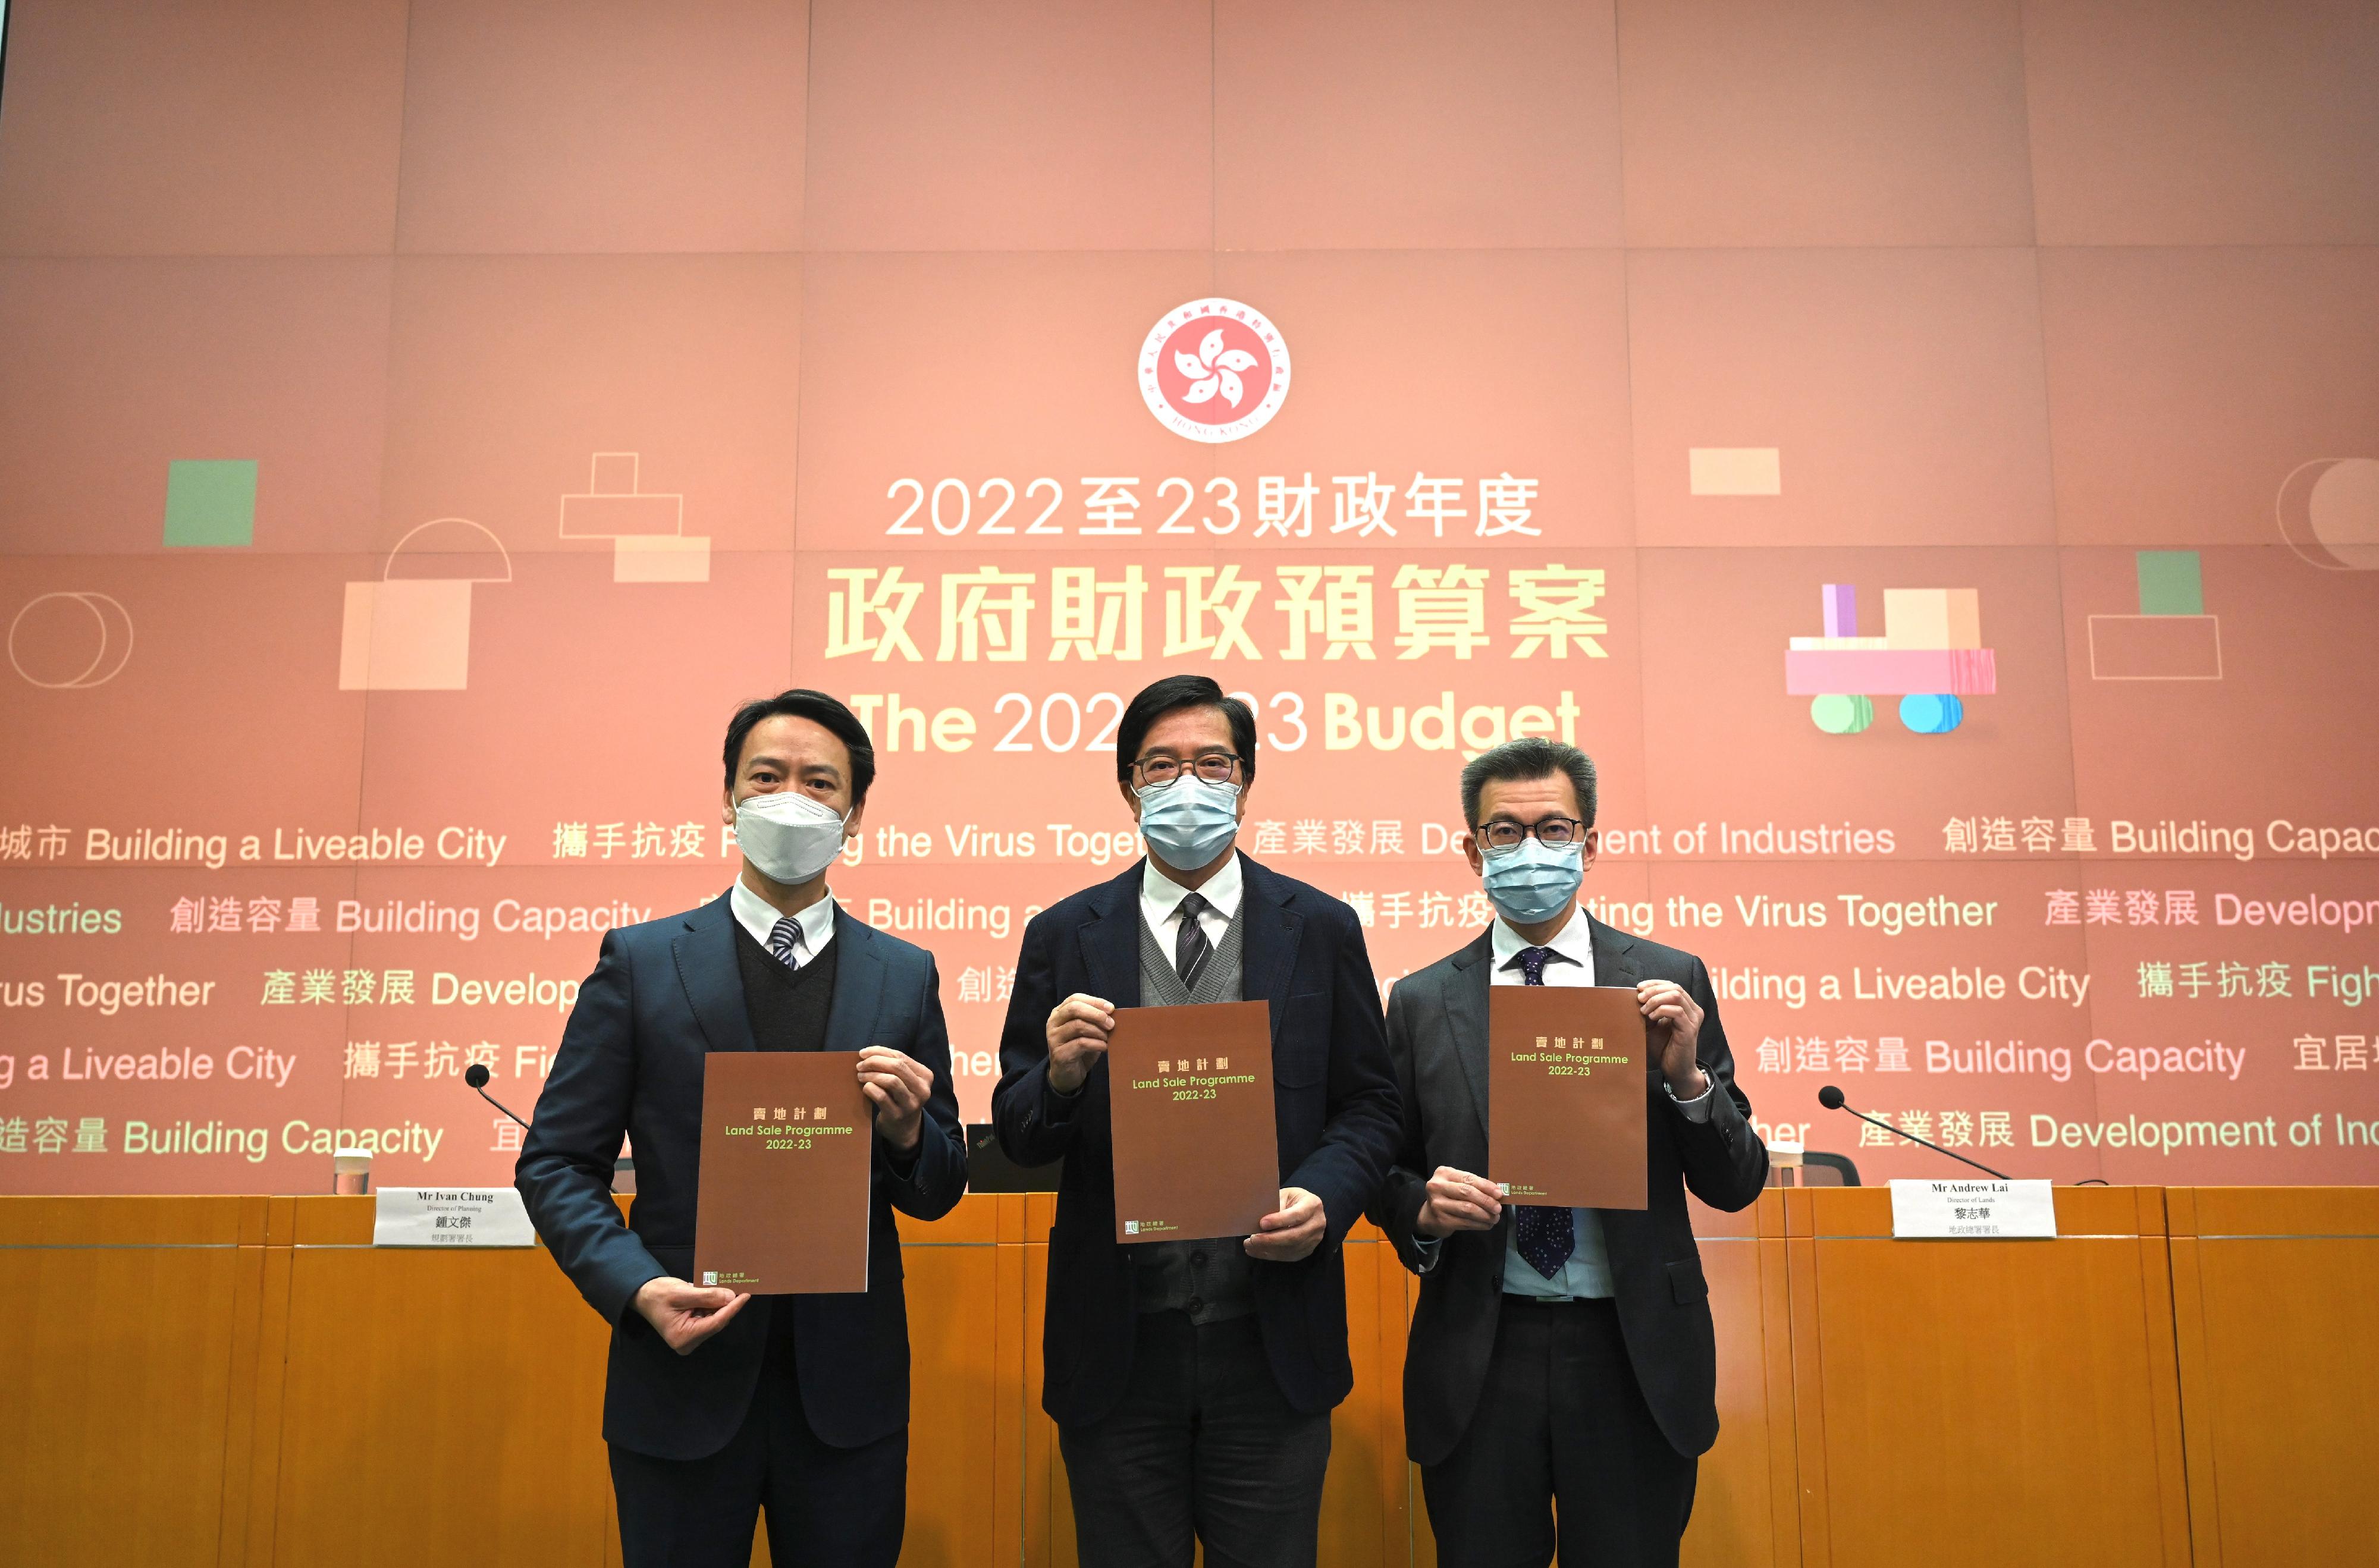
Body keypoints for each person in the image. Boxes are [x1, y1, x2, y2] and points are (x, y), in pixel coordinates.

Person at [517, 689, 967, 1568]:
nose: (791, 799)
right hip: (680, 1384)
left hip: (848, 1402)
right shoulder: (642, 963)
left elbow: (942, 1186)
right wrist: (635, 1287)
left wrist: (911, 1133)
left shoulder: (903, 975)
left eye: (819, 782)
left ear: (855, 812)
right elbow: (558, 1163)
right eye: (767, 777)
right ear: (728, 798)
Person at [992, 674, 1400, 1568]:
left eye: (1212, 764)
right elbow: (1018, 1128)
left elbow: (1371, 1104)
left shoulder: (1320, 926)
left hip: (1273, 1340)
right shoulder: (1065, 933)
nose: (1189, 785)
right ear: (1127, 786)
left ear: (1245, 782)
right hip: (1117, 1350)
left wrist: (1326, 1199)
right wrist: (1058, 1079)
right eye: (1162, 765)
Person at [1366, 737, 1768, 1568]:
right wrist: (1422, 1209)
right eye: (1505, 834)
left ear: (1590, 844)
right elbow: (1384, 1164)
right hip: (1482, 1351)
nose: (1530, 850)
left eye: (1553, 827)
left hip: (1631, 1351)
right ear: (1472, 851)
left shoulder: (1666, 978)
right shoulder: (1420, 999)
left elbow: (1736, 1182)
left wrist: (1688, 1076)